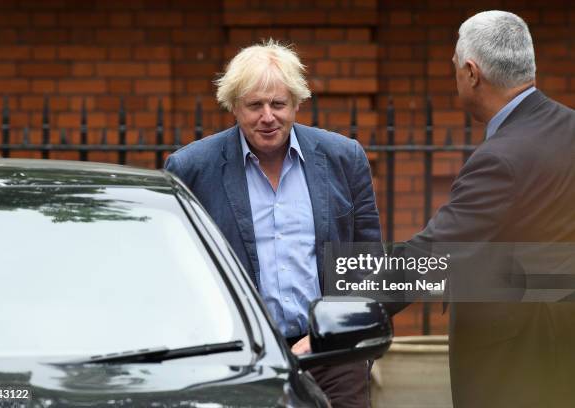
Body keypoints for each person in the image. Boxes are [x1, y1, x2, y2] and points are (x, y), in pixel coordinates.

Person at [165, 40, 382, 408]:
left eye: (278, 104)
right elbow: (176, 272)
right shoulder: (191, 169)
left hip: (331, 353)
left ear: (296, 104)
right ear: (234, 106)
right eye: (255, 105)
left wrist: (353, 339)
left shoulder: (344, 159)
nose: (268, 116)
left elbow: (367, 260)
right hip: (241, 359)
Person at [381, 10, 575, 408]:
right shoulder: (568, 127)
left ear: (471, 73)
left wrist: (343, 296)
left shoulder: (501, 159)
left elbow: (433, 256)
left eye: (455, 67)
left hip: (516, 370)